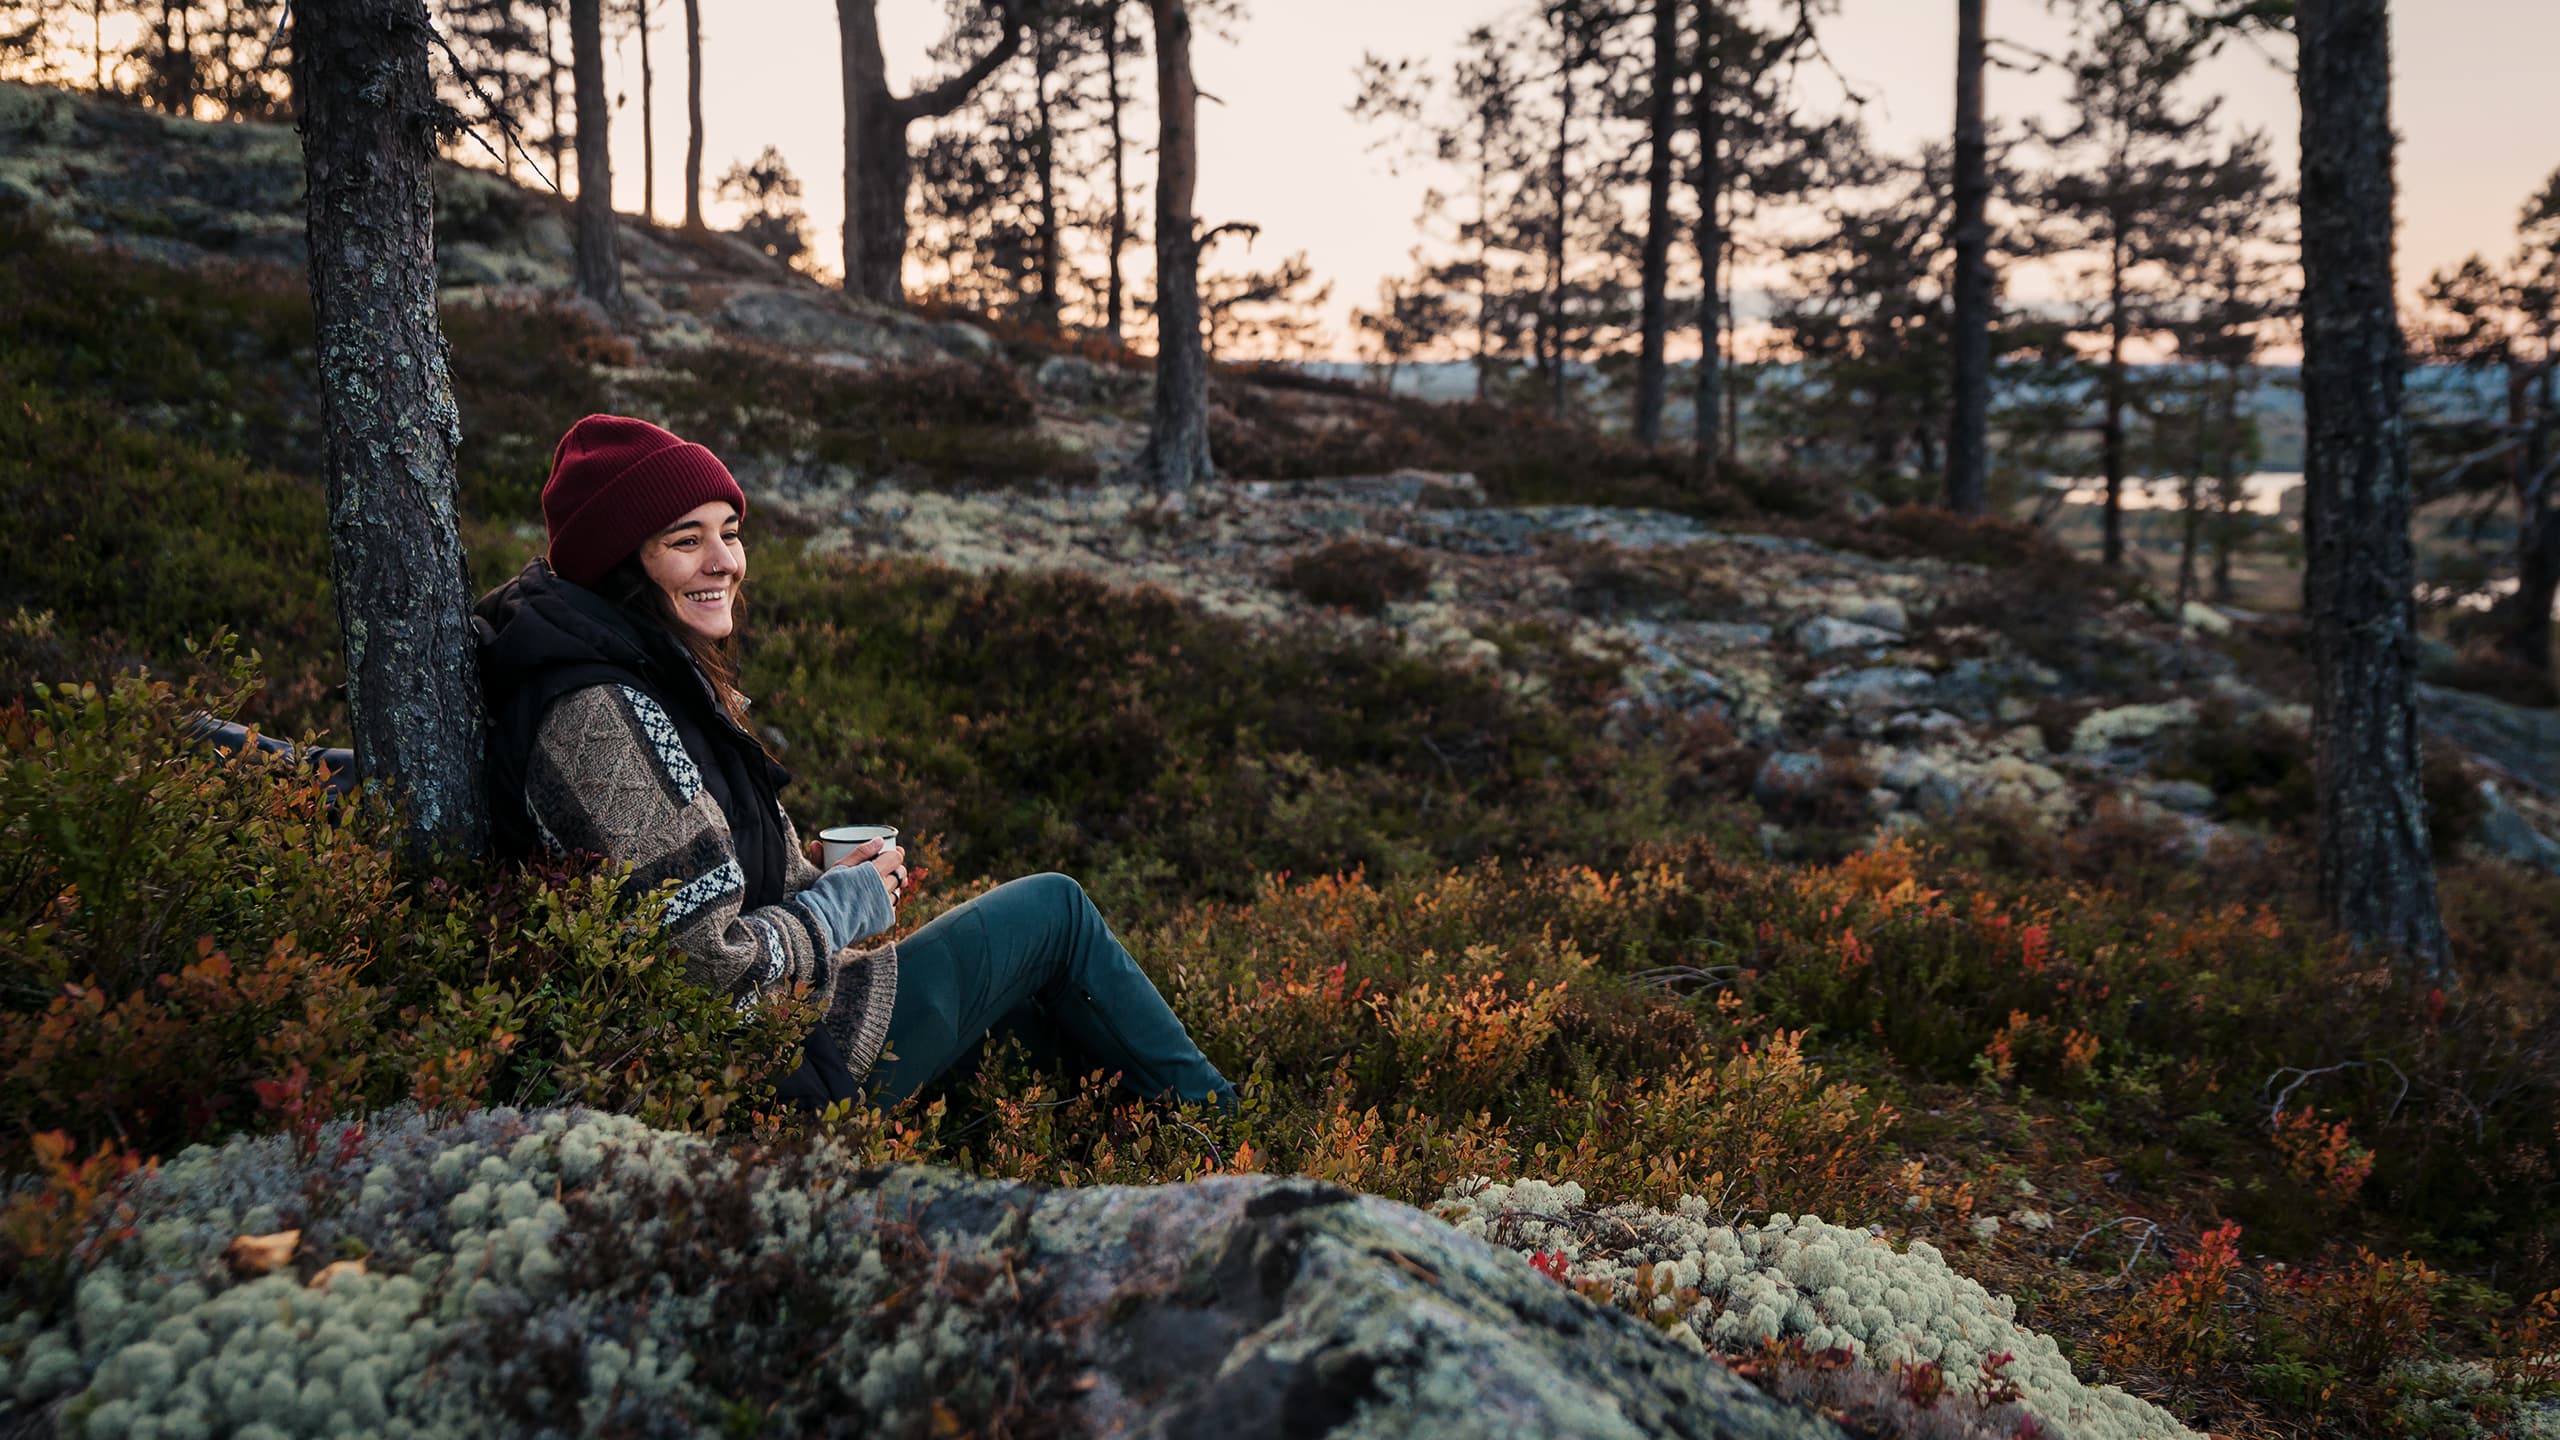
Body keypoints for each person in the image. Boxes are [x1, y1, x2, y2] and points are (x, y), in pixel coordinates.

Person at [474, 413, 1235, 1112]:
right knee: (1055, 912)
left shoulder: (640, 672)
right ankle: (1233, 1137)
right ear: (620, 564)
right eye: (686, 540)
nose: (724, 562)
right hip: (781, 1068)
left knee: (1039, 1029)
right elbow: (705, 967)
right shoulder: (602, 715)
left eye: (730, 532)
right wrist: (844, 906)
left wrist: (814, 874)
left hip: (785, 1040)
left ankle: (1153, 1158)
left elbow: (691, 886)